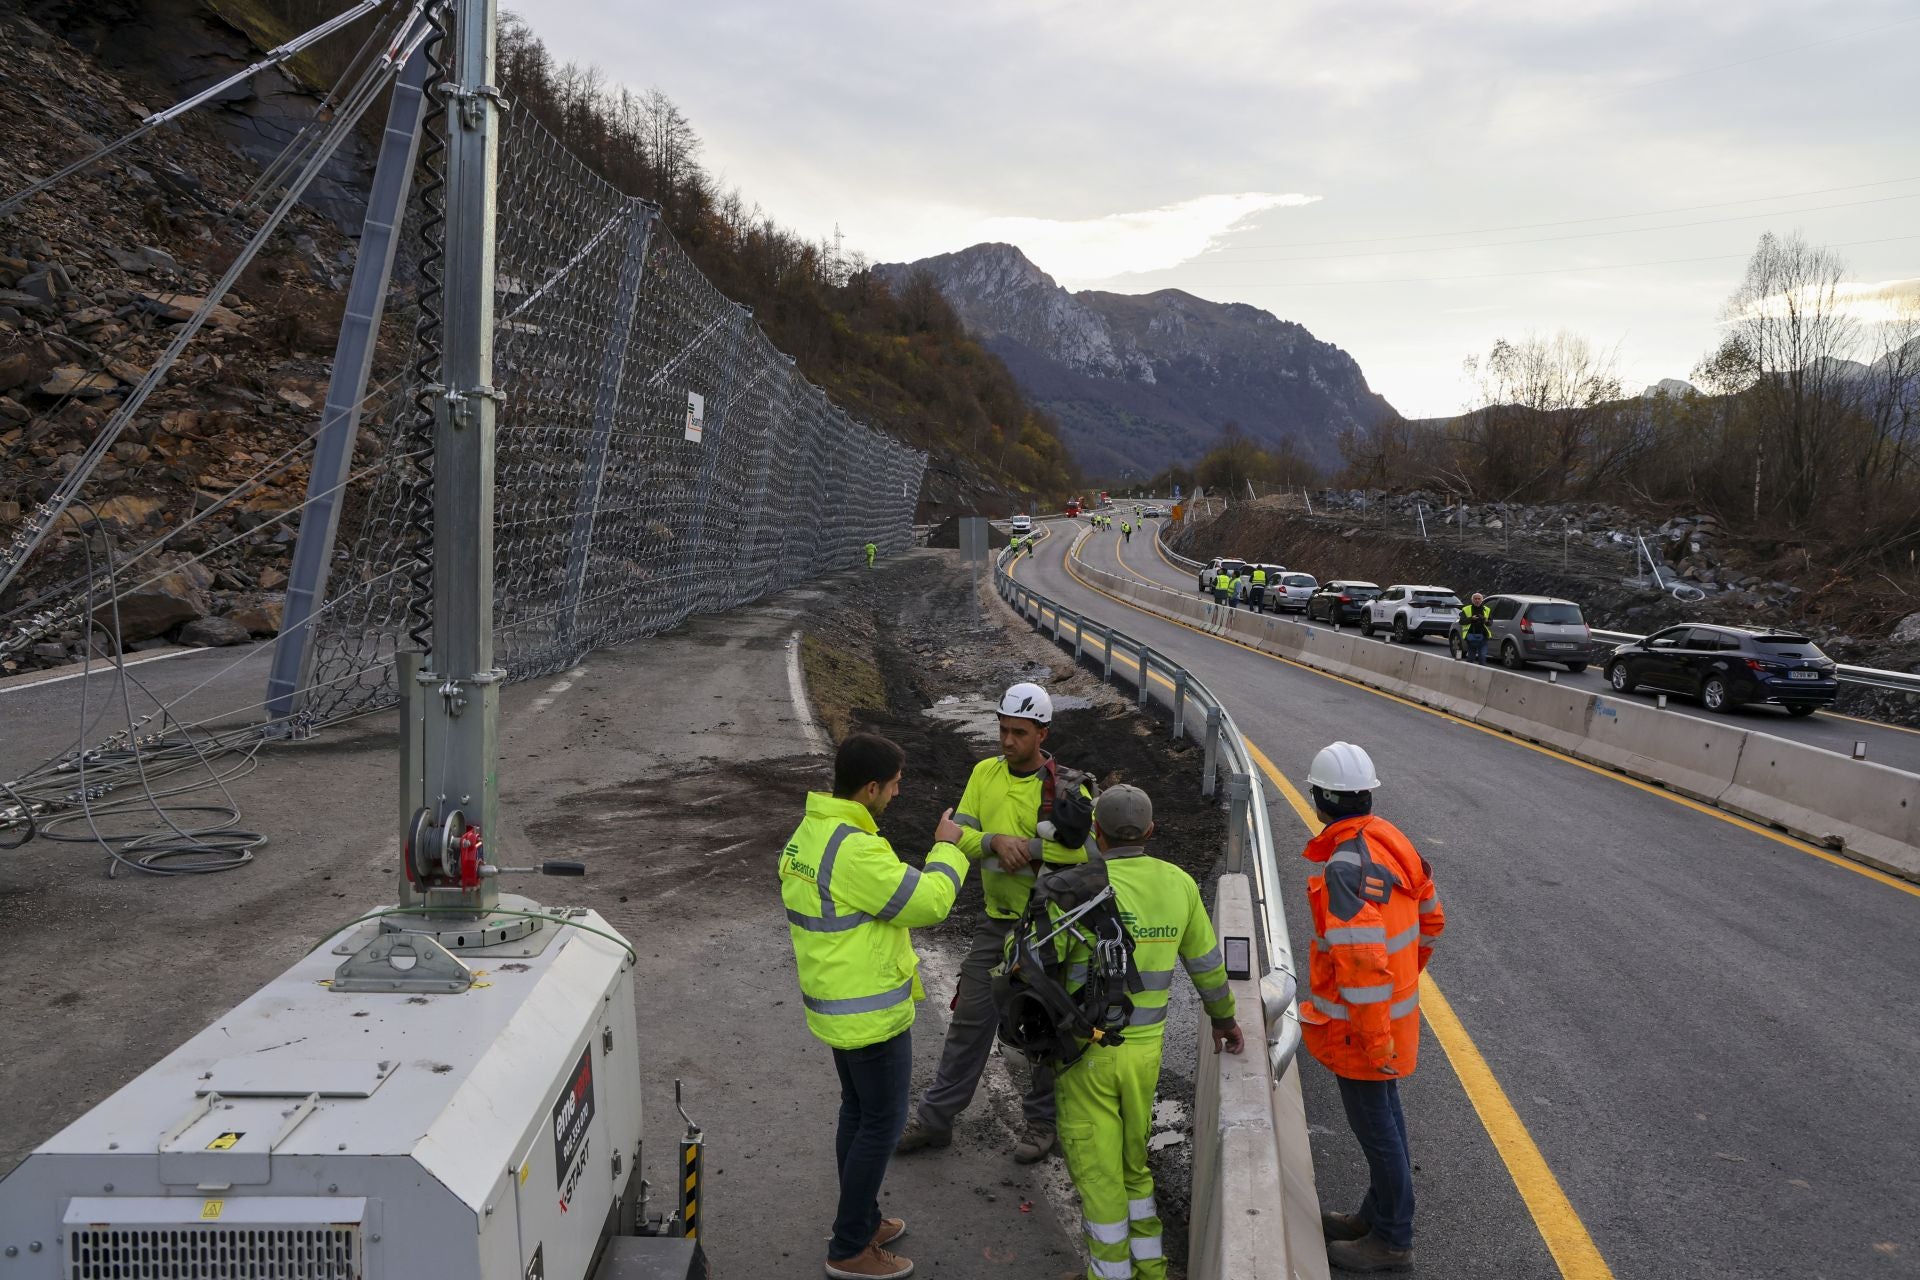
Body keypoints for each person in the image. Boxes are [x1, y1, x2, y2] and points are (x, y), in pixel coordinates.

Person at [780, 733, 971, 1280]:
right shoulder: (855, 848)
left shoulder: (812, 832)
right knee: (881, 1126)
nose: (897, 792)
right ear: (869, 788)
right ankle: (849, 1249)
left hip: (836, 1005)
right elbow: (927, 903)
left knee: (857, 1114)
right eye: (892, 784)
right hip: (869, 1013)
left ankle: (863, 1218)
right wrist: (948, 847)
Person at [1053, 785, 1243, 1280]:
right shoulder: (1178, 884)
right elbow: (1207, 967)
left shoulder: (1076, 886)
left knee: (1098, 1175)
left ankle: (1109, 1274)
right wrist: (1225, 1021)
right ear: (1151, 831)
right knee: (1134, 1164)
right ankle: (1151, 1268)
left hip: (1087, 1054)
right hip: (1144, 1056)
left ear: (1098, 833)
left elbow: (1041, 970)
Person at [897, 683, 1092, 1163]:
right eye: (1003, 729)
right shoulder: (984, 773)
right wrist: (993, 842)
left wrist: (1028, 848)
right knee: (969, 1021)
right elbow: (952, 834)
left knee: (1044, 1031)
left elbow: (1091, 853)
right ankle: (937, 1120)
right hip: (997, 923)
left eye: (1018, 733)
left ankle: (1042, 1124)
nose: (1007, 741)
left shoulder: (1068, 788)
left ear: (1042, 733)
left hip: (1050, 930)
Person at [1298, 743, 1445, 1275]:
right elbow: (1431, 921)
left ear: (1320, 799)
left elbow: (1359, 964)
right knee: (1389, 1123)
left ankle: (1392, 1239)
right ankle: (1372, 1216)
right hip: (1391, 1016)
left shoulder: (1343, 866)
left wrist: (1372, 1032)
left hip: (1363, 1030)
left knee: (1379, 1134)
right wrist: (1403, 983)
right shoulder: (1391, 841)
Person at [1458, 593, 1493, 664]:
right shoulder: (1466, 609)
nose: (1477, 600)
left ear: (1482, 600)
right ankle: (1468, 672)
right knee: (1471, 658)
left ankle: (1482, 672)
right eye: (1475, 599)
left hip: (1483, 637)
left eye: (1479, 599)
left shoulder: (1487, 610)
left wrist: (1485, 620)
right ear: (1472, 600)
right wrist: (1471, 619)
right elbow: (1461, 621)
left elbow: (1490, 623)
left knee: (1482, 657)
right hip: (1471, 637)